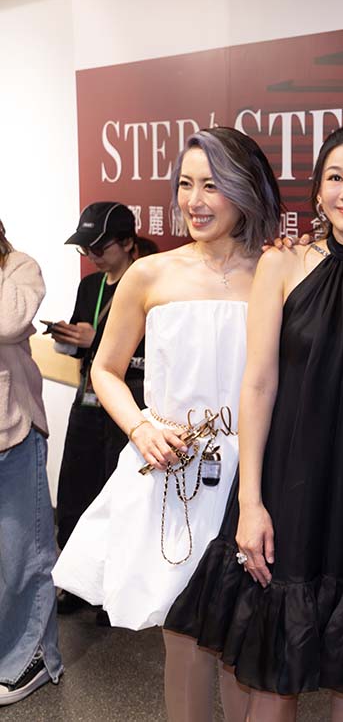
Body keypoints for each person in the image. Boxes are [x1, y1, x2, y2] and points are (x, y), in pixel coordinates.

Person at [165, 119, 343, 722]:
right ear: (318, 191)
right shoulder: (283, 265)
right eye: (335, 178)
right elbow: (257, 385)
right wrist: (251, 503)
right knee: (273, 675)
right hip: (288, 493)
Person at [52, 128, 281, 722]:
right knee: (182, 638)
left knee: (242, 641)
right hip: (172, 472)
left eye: (212, 185)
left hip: (253, 477)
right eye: (185, 184)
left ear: (246, 189)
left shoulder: (281, 271)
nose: (194, 201)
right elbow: (104, 370)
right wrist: (139, 428)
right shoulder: (150, 275)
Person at [51, 202, 152, 604]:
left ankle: (114, 590)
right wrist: (70, 340)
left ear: (127, 243)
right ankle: (79, 584)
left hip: (131, 401)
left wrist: (99, 344)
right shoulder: (90, 286)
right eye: (85, 248)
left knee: (120, 493)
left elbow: (157, 353)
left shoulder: (148, 282)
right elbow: (86, 345)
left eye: (99, 247)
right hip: (88, 400)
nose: (92, 256)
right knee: (76, 488)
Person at [0, 218, 62, 707]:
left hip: (14, 432)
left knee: (24, 556)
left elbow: (9, 322)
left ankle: (33, 658)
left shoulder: (19, 267)